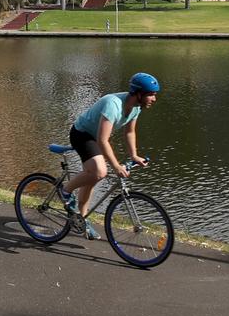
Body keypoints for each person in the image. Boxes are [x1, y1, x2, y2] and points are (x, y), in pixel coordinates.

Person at [59, 72, 160, 240]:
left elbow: (129, 132)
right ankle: (65, 191)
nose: (154, 99)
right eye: (151, 94)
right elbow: (102, 140)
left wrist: (134, 155)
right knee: (100, 171)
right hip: (82, 135)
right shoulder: (113, 105)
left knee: (92, 180)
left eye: (154, 95)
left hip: (96, 137)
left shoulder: (136, 107)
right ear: (139, 93)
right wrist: (116, 166)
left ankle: (80, 220)